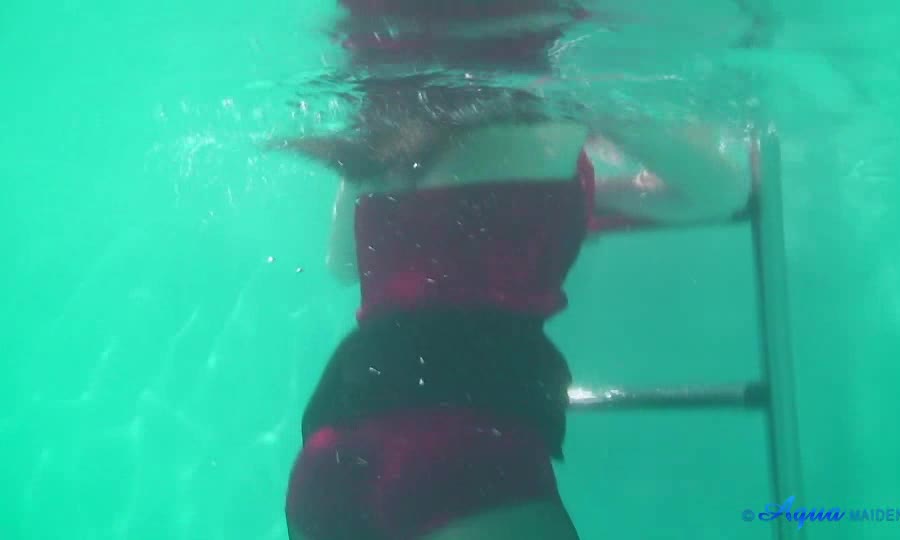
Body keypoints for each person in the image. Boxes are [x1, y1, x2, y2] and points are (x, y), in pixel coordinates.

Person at [277, 1, 752, 539]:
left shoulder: (386, 121)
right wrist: (582, 190)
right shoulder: (558, 98)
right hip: (465, 438)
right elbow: (720, 191)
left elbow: (343, 265)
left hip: (332, 449)